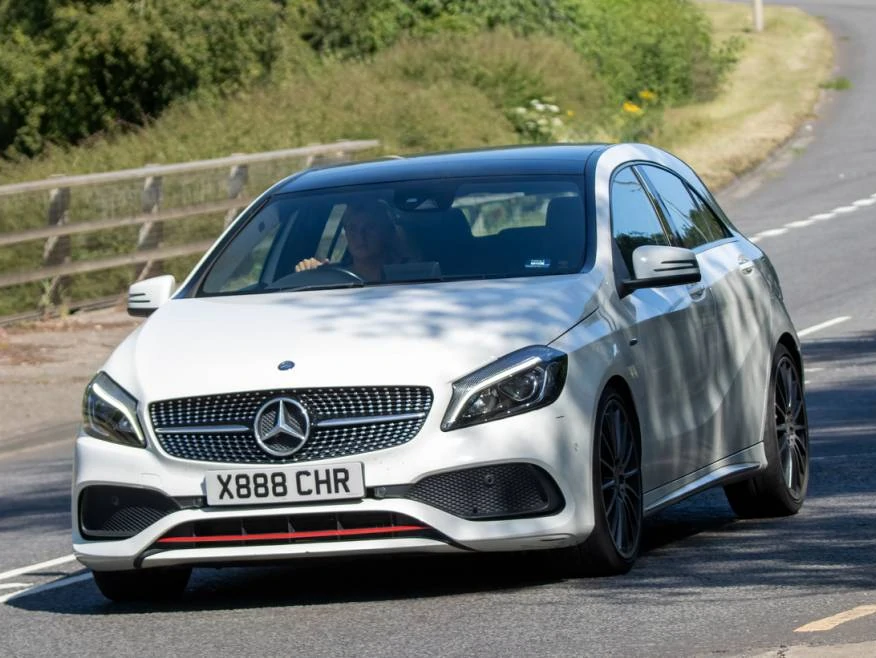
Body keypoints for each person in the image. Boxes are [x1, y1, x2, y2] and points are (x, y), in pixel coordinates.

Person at [295, 200, 408, 282]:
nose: (360, 236)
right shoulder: (328, 277)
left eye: (370, 228)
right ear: (346, 232)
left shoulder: (410, 274)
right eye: (353, 229)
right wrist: (309, 272)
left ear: (385, 232)